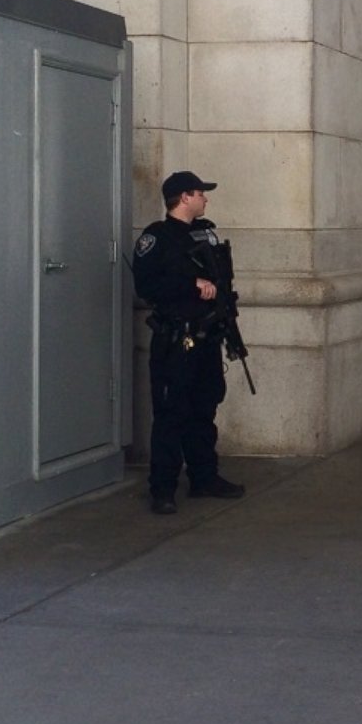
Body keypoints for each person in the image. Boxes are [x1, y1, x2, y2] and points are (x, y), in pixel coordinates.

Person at [133, 171, 247, 515]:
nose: (205, 199)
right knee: (171, 414)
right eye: (200, 193)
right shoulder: (157, 238)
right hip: (176, 340)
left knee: (204, 410)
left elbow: (222, 282)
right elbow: (147, 286)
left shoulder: (207, 234)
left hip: (207, 337)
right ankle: (163, 489)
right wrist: (191, 285)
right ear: (184, 197)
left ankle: (204, 477)